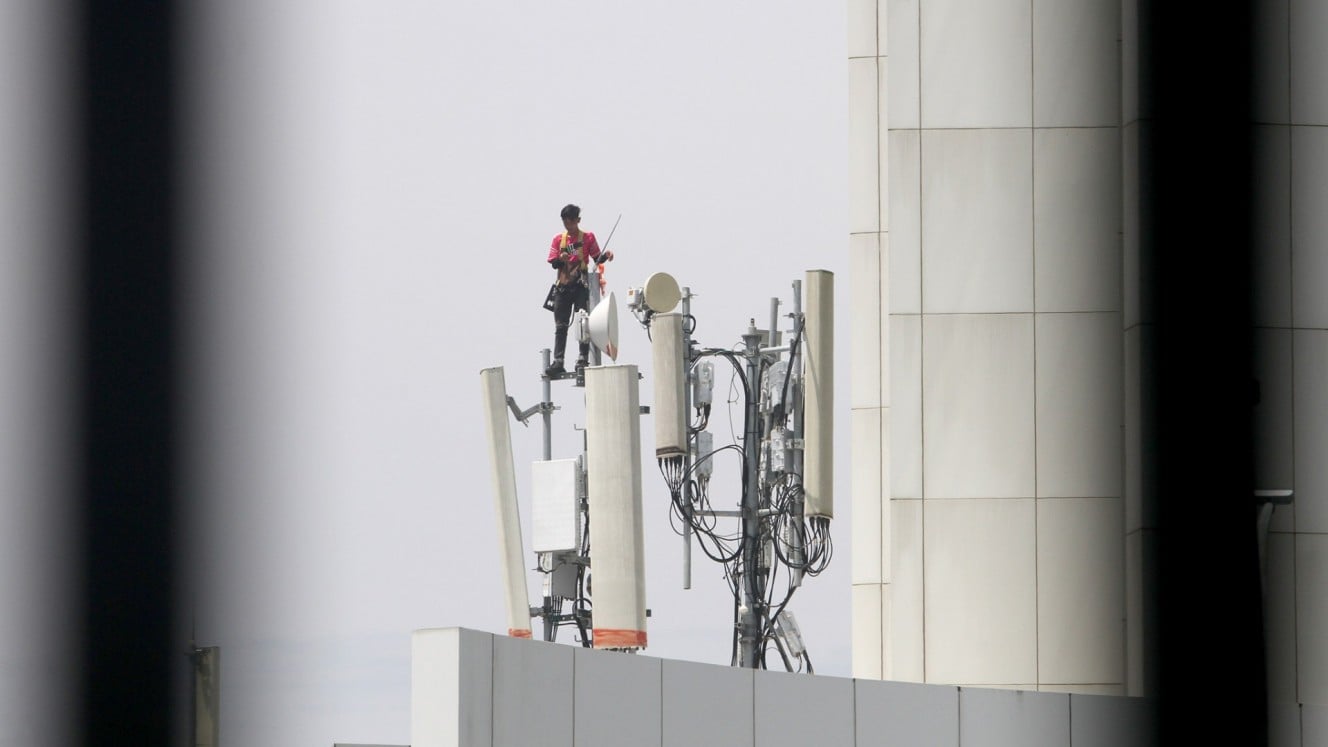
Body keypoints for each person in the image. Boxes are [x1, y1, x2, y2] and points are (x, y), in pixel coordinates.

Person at [545, 203, 613, 377]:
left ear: (578, 220)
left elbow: (597, 258)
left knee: (583, 322)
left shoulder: (587, 238)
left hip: (580, 286)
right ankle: (558, 360)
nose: (568, 225)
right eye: (565, 222)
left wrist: (606, 256)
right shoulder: (558, 240)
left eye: (571, 222)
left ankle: (582, 358)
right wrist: (562, 259)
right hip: (563, 287)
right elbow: (553, 263)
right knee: (561, 326)